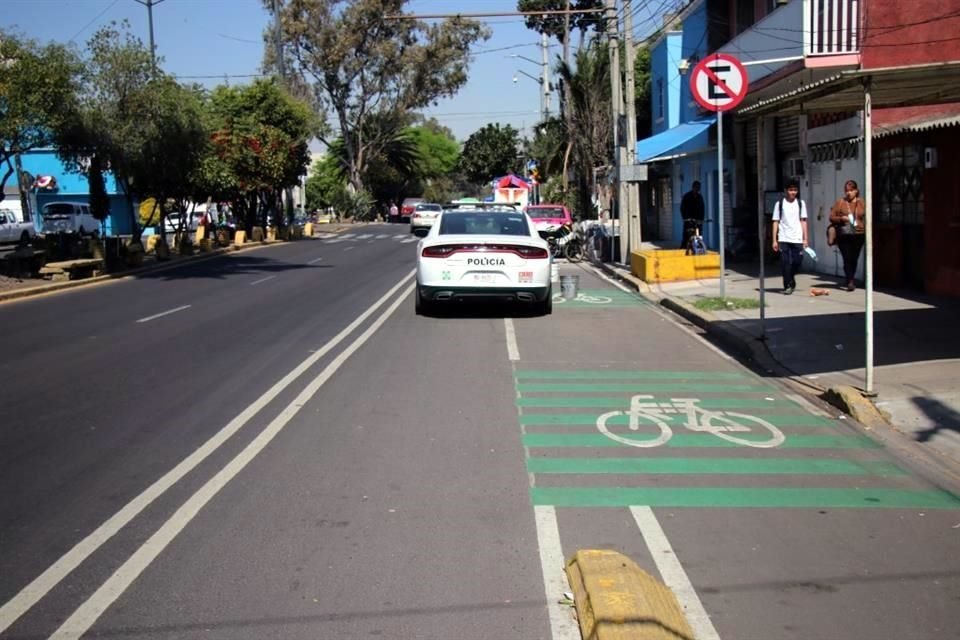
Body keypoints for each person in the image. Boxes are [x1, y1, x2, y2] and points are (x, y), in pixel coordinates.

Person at [771, 179, 809, 295]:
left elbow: (803, 221)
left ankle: (791, 277)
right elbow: (775, 221)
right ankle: (788, 285)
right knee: (785, 263)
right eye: (791, 190)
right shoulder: (779, 204)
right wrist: (774, 240)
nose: (793, 192)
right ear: (785, 191)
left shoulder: (801, 203)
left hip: (797, 237)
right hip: (783, 237)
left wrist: (805, 238)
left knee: (798, 261)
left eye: (795, 190)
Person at [829, 179, 866, 291]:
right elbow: (831, 217)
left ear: (856, 191)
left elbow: (867, 217)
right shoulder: (840, 202)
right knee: (847, 257)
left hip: (859, 234)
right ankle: (850, 281)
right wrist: (841, 218)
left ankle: (850, 277)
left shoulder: (862, 203)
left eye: (850, 190)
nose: (848, 193)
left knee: (854, 257)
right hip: (844, 234)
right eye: (846, 190)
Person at [679, 181, 705, 249]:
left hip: (698, 221)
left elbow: (702, 209)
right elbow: (682, 208)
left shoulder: (700, 197)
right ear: (693, 187)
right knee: (687, 237)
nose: (697, 189)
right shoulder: (687, 196)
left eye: (699, 188)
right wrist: (685, 218)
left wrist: (701, 220)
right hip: (689, 220)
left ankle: (698, 249)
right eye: (696, 187)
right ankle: (684, 248)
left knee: (698, 236)